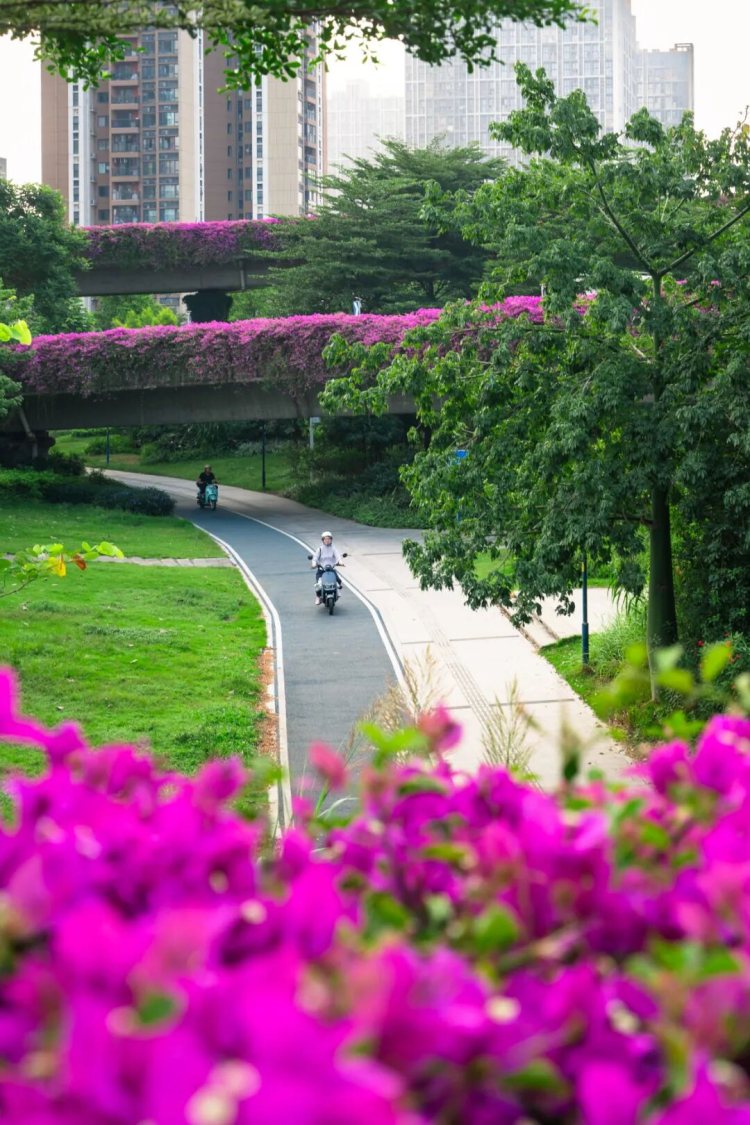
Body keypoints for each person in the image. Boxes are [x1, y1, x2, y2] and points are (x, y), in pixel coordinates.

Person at [312, 530, 343, 605]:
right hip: (321, 570)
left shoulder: (333, 548)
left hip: (331, 569)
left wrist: (341, 562)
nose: (327, 540)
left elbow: (338, 556)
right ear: (323, 540)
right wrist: (313, 564)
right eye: (325, 539)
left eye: (328, 539)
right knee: (318, 584)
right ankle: (318, 597)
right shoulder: (320, 549)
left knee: (338, 580)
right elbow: (315, 558)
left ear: (331, 539)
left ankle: (337, 592)